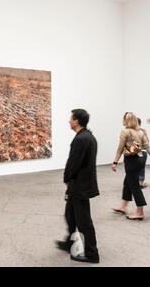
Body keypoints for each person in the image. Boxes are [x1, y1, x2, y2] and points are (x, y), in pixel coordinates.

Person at [56, 109, 99, 264]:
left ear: (77, 121)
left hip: (79, 186)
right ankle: (69, 243)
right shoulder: (88, 136)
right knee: (70, 215)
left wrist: (67, 178)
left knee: (84, 222)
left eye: (70, 119)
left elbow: (74, 163)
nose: (69, 121)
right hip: (81, 185)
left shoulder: (81, 139)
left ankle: (92, 254)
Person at [112, 112, 150, 221]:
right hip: (140, 159)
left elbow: (120, 149)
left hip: (131, 161)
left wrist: (115, 162)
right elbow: (147, 147)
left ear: (127, 120)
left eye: (124, 118)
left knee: (134, 186)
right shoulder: (140, 132)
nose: (123, 120)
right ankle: (124, 207)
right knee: (127, 183)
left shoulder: (125, 132)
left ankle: (140, 212)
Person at [138, 118, 149, 189]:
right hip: (142, 152)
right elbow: (147, 141)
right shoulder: (143, 131)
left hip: (132, 153)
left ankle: (133, 183)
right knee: (142, 168)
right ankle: (141, 183)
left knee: (132, 168)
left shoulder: (129, 131)